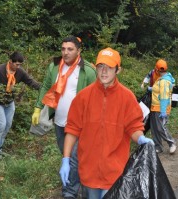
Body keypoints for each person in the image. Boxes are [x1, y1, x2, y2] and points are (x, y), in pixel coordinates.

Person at [59, 47, 154, 199]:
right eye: (100, 67)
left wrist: (140, 138)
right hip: (88, 171)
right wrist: (66, 159)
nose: (104, 71)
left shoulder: (127, 98)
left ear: (118, 70)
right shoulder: (83, 97)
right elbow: (72, 130)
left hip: (115, 171)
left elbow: (134, 127)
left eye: (109, 67)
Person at [31, 36, 96, 198]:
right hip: (59, 121)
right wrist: (38, 108)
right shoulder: (55, 66)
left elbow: (95, 97)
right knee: (66, 154)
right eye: (63, 49)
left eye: (70, 49)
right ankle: (80, 179)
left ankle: (69, 192)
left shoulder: (87, 70)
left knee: (73, 158)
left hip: (79, 124)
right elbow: (46, 85)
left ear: (78, 51)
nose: (65, 52)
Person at [0, 52, 40, 159]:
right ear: (10, 62)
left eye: (20, 65)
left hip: (10, 102)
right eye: (17, 64)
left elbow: (31, 82)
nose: (18, 66)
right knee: (1, 125)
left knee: (7, 125)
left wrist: (44, 89)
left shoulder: (20, 72)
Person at [149, 59, 176, 154]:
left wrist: (163, 111)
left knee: (161, 128)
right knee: (154, 128)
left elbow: (164, 96)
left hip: (161, 108)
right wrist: (151, 89)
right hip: (154, 106)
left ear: (157, 69)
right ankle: (158, 146)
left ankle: (171, 143)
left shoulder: (164, 81)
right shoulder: (161, 78)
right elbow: (158, 89)